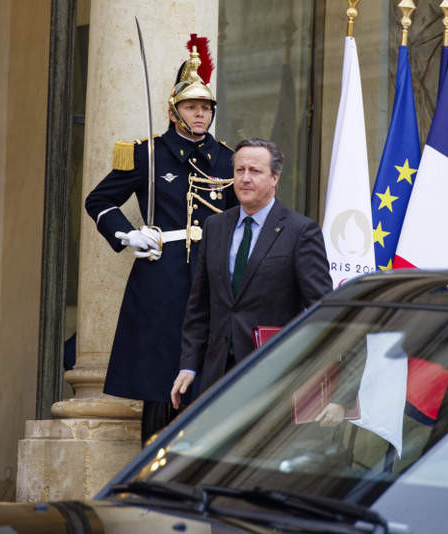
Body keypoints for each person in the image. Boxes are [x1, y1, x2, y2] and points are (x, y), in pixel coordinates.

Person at [85, 41, 236, 444]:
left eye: (205, 107)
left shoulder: (227, 159)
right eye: (191, 107)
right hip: (163, 271)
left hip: (215, 271)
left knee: (209, 365)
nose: (200, 114)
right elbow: (98, 201)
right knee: (161, 374)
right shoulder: (144, 154)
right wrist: (128, 234)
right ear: (173, 112)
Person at [170, 138, 333, 408]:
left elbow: (324, 311)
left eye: (255, 171)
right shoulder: (215, 226)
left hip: (273, 377)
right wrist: (188, 366)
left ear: (274, 178)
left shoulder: (300, 231)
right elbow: (199, 307)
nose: (245, 178)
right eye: (239, 170)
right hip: (217, 376)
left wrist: (330, 386)